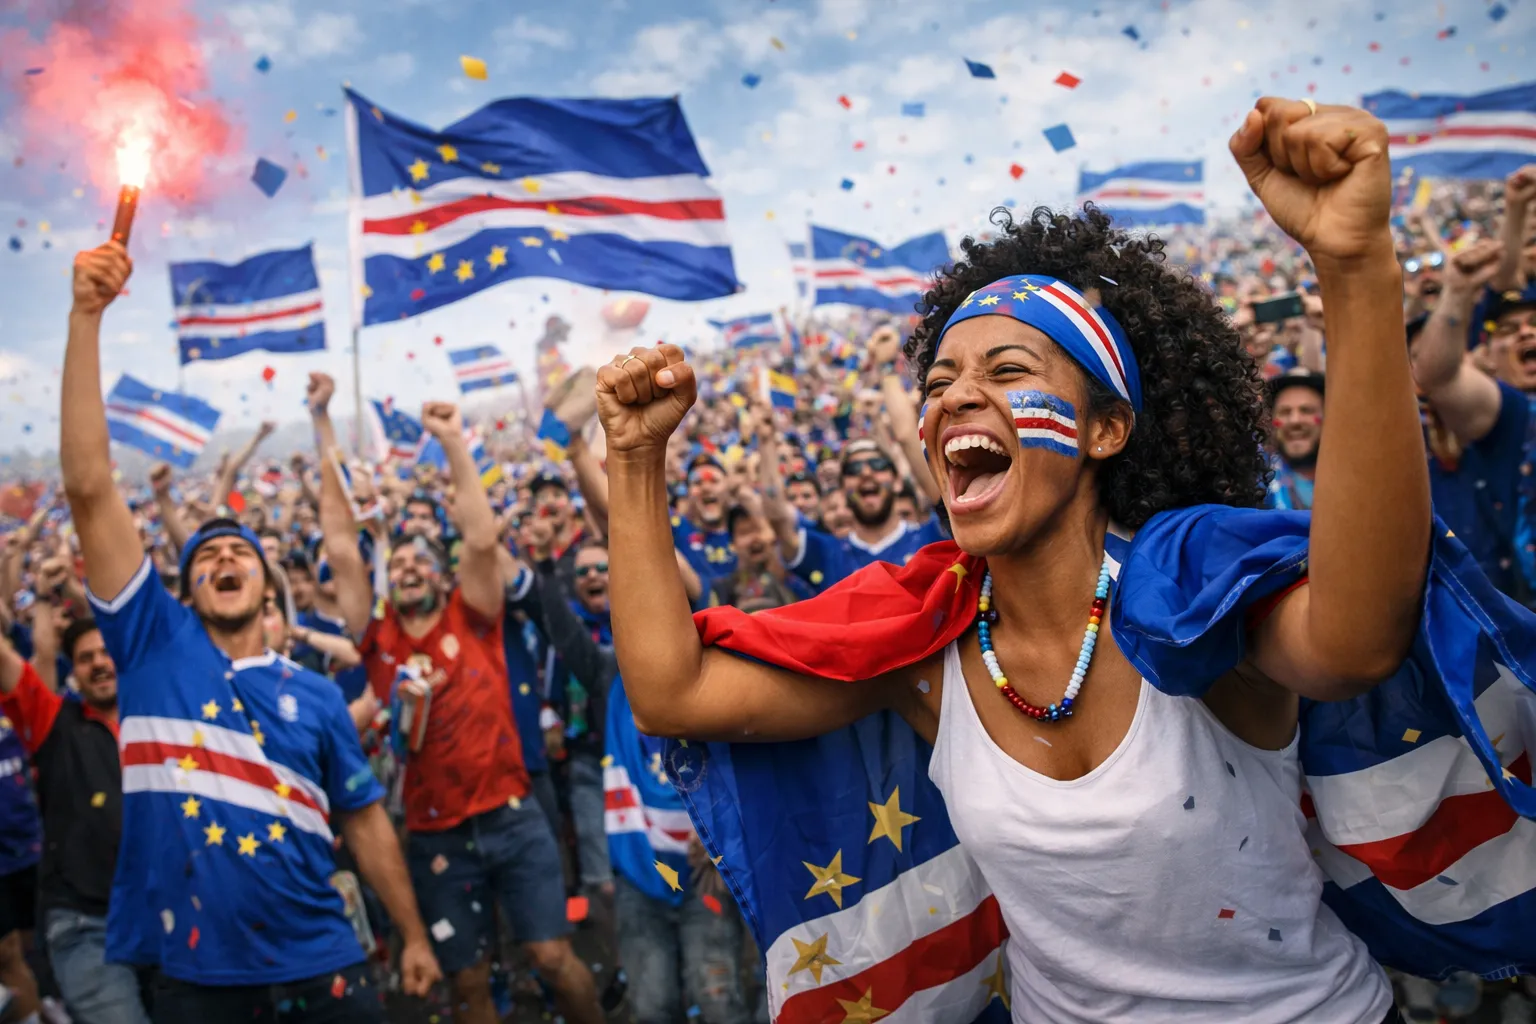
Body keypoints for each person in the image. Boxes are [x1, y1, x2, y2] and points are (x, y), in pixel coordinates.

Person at [598, 99, 1424, 1022]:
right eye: (941, 381)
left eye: (1009, 371)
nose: (958, 397)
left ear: (1105, 430)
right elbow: (672, 694)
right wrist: (634, 461)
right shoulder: (924, 649)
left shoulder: (1194, 597)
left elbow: (1359, 641)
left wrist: (1356, 271)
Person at [58, 243, 441, 1023]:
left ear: (269, 587)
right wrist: (86, 316)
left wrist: (411, 936)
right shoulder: (150, 645)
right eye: (208, 555)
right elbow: (91, 488)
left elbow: (364, 822)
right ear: (186, 589)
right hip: (197, 979)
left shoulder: (316, 693)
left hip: (327, 966)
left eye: (243, 553)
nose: (226, 558)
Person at [308, 373, 602, 1024]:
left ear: (442, 578)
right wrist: (323, 422)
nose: (409, 566)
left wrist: (452, 442)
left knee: (554, 960)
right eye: (400, 562)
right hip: (436, 835)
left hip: (514, 817)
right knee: (467, 986)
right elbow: (338, 541)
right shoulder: (377, 638)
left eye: (421, 560)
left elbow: (479, 539)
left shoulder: (474, 617)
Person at [0, 618, 143, 1024]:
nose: (99, 664)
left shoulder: (158, 719)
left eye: (106, 653)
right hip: (87, 926)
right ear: (72, 671)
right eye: (85, 658)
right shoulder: (52, 720)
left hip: (164, 918)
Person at [1409, 237, 1530, 599]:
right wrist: (1459, 290)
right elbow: (1439, 377)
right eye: (1508, 329)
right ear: (1486, 358)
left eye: (1535, 322)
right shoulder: (1513, 418)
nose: (1527, 331)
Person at [1265, 368, 1325, 510]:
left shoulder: (1356, 483)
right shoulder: (1257, 488)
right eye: (1285, 412)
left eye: (1306, 410)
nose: (1295, 421)